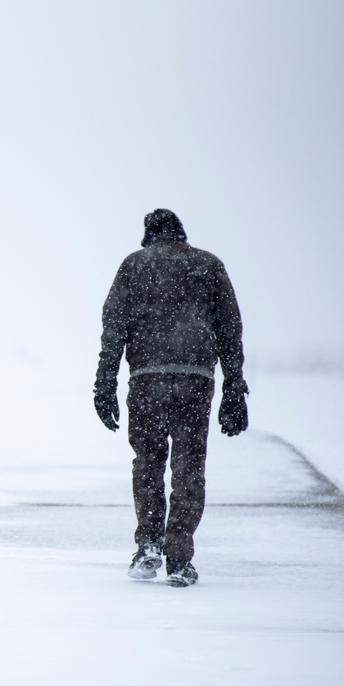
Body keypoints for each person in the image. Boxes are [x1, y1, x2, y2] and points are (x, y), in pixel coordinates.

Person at [93, 209, 248, 587]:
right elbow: (230, 329)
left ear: (149, 235)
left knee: (148, 461)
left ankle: (149, 544)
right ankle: (179, 559)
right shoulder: (209, 265)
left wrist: (105, 383)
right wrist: (234, 386)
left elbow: (114, 328)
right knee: (189, 465)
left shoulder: (134, 265)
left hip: (148, 379)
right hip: (195, 379)